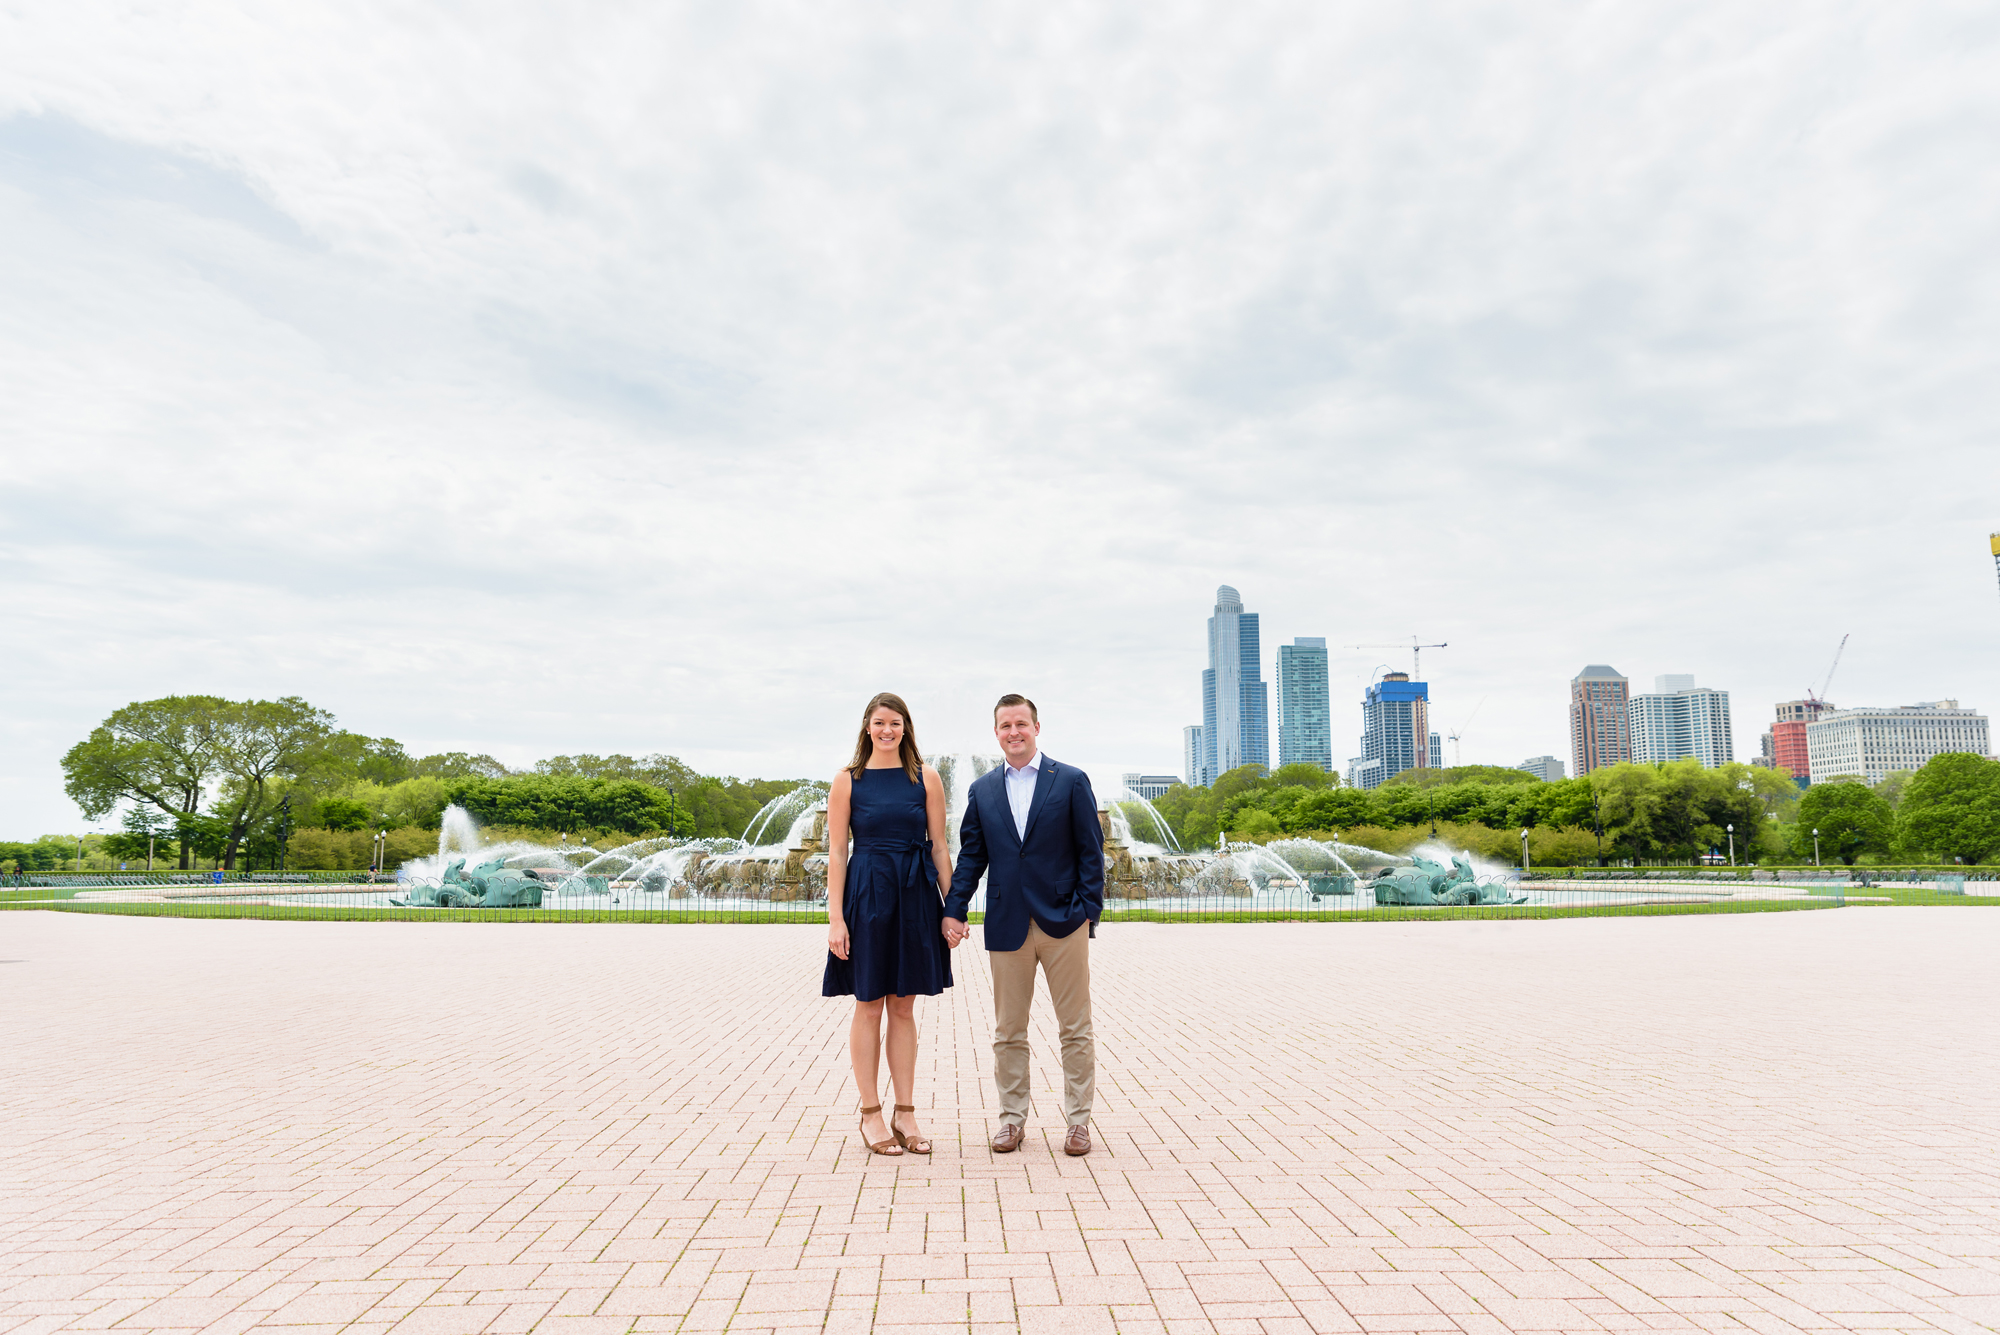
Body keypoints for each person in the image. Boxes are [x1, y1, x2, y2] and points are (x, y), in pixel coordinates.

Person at [942, 694, 1105, 1156]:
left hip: (1063, 922)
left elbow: (1090, 852)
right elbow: (972, 857)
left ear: (1037, 727)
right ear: (996, 733)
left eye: (1021, 724)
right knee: (1008, 1030)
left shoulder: (1070, 781)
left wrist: (1087, 910)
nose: (1013, 732)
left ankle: (1078, 1123)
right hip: (1007, 922)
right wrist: (955, 908)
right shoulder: (983, 790)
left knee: (1075, 1027)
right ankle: (1012, 1119)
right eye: (1005, 726)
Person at [824, 691, 955, 1157]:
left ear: (906, 728)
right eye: (880, 722)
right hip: (868, 893)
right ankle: (871, 1115)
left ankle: (906, 1112)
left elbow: (939, 846)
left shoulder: (926, 778)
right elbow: (838, 852)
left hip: (914, 894)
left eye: (895, 723)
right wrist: (836, 918)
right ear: (867, 726)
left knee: (903, 1007)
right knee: (868, 1004)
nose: (887, 730)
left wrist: (952, 906)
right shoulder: (847, 780)